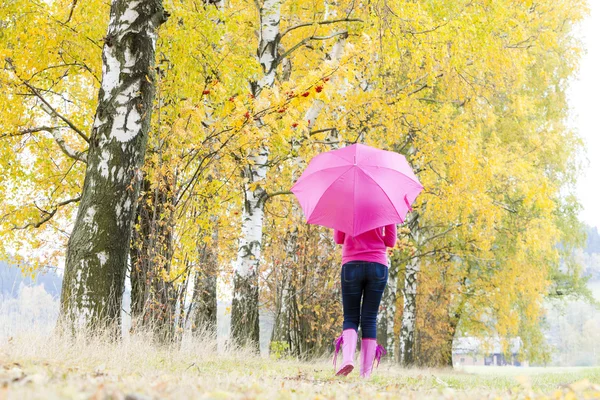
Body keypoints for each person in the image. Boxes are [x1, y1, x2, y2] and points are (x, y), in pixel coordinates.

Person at [332, 224, 396, 378]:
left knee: (350, 317)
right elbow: (391, 241)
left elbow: (338, 238)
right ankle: (365, 374)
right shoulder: (384, 203)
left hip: (351, 265)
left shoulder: (344, 203)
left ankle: (347, 359)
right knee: (369, 319)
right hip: (378, 266)